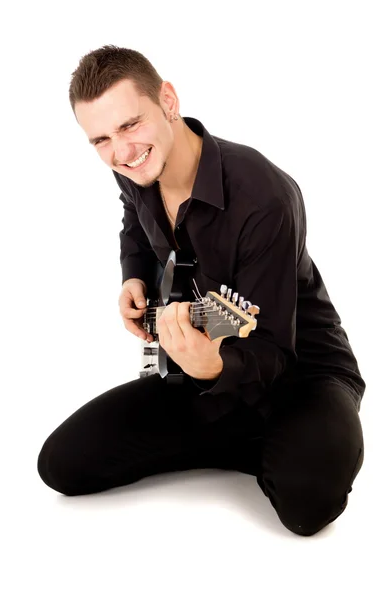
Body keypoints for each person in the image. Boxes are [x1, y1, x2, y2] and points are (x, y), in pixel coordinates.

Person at [37, 45, 366, 536]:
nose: (120, 152)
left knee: (308, 505)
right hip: (204, 370)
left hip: (298, 371)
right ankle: (247, 437)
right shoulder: (134, 167)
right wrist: (134, 275)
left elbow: (275, 348)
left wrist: (213, 366)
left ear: (167, 100)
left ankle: (280, 440)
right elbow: (135, 220)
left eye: (130, 125)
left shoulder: (265, 197)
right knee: (62, 465)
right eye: (100, 139)